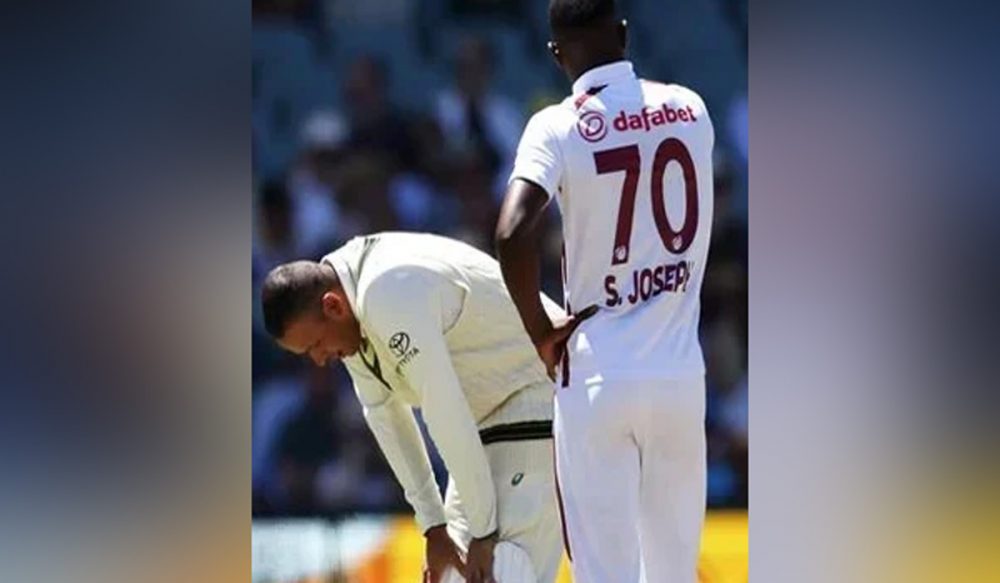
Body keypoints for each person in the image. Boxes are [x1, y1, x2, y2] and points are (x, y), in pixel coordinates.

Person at [494, 0, 716, 581]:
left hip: (596, 372)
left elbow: (512, 232)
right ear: (622, 33)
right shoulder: (691, 108)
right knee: (674, 573)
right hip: (678, 374)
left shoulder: (556, 125)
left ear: (556, 54)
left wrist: (539, 332)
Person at [260, 232, 567, 583]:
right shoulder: (349, 310)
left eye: (315, 344)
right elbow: (385, 417)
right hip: (491, 419)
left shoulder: (385, 291)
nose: (319, 359)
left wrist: (484, 532)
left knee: (501, 570)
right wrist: (433, 527)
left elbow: (444, 409)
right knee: (453, 575)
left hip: (537, 392)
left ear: (333, 306)